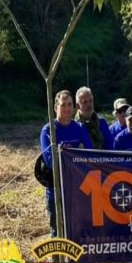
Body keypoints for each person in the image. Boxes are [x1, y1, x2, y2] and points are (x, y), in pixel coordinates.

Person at [40, 90, 93, 237]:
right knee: (58, 233)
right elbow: (50, 161)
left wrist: (66, 154)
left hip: (78, 190)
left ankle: (79, 260)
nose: (67, 108)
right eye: (63, 105)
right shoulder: (48, 130)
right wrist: (75, 155)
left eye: (70, 104)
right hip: (56, 190)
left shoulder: (80, 128)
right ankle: (58, 260)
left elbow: (90, 154)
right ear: (55, 107)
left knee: (79, 230)